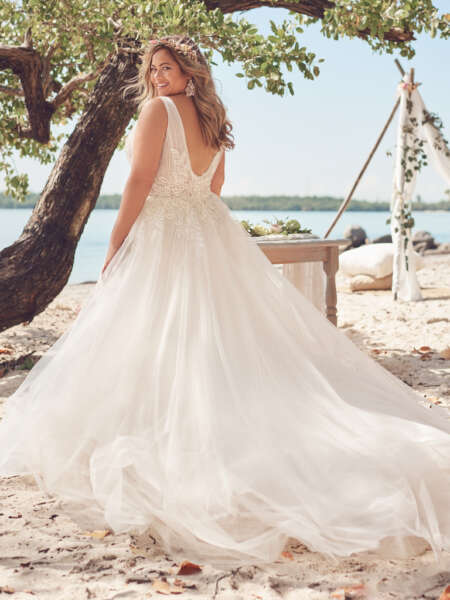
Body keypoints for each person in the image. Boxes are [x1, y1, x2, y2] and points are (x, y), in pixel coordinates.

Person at [0, 34, 449, 571]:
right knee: (200, 340)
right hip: (209, 237)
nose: (158, 78)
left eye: (167, 68)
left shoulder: (158, 112)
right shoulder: (215, 122)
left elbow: (140, 182)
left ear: (190, 74)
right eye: (153, 70)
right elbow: (211, 190)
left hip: (168, 238)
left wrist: (116, 246)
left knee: (156, 336)